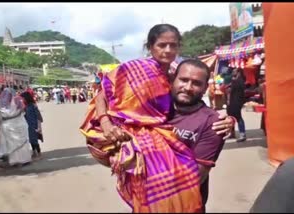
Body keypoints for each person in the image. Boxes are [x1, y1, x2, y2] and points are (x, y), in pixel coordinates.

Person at [80, 24, 233, 213]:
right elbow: (104, 93)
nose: (168, 50)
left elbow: (196, 177)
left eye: (173, 45)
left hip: (181, 200)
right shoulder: (137, 72)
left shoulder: (209, 120)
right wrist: (106, 123)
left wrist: (227, 117)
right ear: (150, 46)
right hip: (147, 196)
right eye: (162, 45)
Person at [168, 59, 228, 212]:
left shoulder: (213, 122)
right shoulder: (155, 110)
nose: (188, 87)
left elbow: (193, 178)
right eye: (183, 80)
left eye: (196, 83)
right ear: (173, 79)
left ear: (204, 88)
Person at [0, 88, 32, 166]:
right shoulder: (17, 101)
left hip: (8, 126)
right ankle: (25, 159)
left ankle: (15, 161)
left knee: (12, 144)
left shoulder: (0, 106)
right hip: (19, 124)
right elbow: (23, 110)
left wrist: (6, 117)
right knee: (22, 143)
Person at [20, 92, 43, 160]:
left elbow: (38, 116)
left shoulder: (33, 105)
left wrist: (39, 126)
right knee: (30, 139)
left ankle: (39, 153)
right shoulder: (25, 106)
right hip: (27, 125)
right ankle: (34, 152)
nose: (22, 100)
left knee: (34, 139)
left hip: (33, 124)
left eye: (23, 98)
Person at [227, 68, 247, 142]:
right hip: (233, 101)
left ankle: (242, 134)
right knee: (231, 117)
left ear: (238, 72)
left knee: (238, 117)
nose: (233, 72)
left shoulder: (239, 81)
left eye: (234, 71)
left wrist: (231, 85)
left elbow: (234, 91)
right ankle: (232, 133)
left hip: (236, 101)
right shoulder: (235, 80)